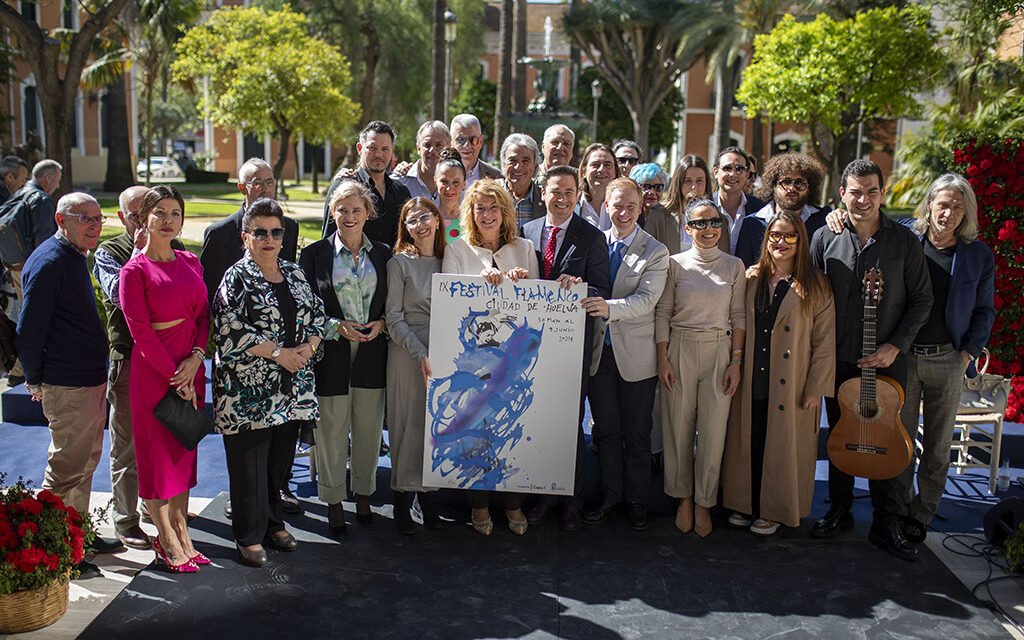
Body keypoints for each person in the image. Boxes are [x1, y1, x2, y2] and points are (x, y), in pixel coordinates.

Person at [825, 173, 996, 543]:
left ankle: (920, 514)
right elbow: (861, 220)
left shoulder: (977, 255)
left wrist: (968, 351)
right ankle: (896, 513)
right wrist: (835, 215)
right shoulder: (905, 238)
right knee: (895, 439)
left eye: (956, 206)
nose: (948, 213)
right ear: (929, 204)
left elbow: (985, 310)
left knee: (936, 446)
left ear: (966, 212)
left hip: (947, 357)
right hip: (901, 359)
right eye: (943, 204)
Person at [809, 159, 933, 562]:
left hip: (890, 362)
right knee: (843, 434)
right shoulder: (825, 237)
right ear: (841, 194)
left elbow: (922, 300)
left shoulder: (904, 241)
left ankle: (888, 521)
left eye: (872, 191)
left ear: (883, 193)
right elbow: (808, 295)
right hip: (839, 358)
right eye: (855, 192)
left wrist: (896, 345)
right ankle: (840, 508)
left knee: (891, 440)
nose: (864, 199)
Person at [212, 198, 327, 567]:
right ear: (246, 236)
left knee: (278, 463)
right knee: (248, 466)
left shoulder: (294, 273)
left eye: (276, 232)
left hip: (290, 390)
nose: (269, 238)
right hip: (248, 392)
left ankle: (273, 523)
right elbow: (229, 328)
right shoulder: (237, 278)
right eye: (260, 232)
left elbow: (317, 315)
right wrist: (280, 354)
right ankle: (248, 536)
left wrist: (307, 348)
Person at [16, 192, 123, 578]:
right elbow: (28, 330)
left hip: (88, 380)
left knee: (84, 464)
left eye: (98, 219)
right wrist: (34, 378)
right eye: (85, 219)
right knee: (65, 470)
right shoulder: (49, 262)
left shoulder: (74, 256)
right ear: (62, 220)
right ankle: (54, 547)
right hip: (67, 384)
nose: (94, 226)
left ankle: (78, 537)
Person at [721, 212, 836, 535]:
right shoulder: (751, 277)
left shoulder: (816, 284)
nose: (780, 243)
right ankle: (745, 503)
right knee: (750, 437)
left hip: (793, 382)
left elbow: (824, 342)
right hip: (753, 375)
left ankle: (774, 510)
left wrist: (816, 386)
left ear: (800, 241)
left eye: (789, 237)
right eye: (775, 236)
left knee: (781, 446)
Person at [201, 157, 301, 517]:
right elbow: (215, 302)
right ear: (242, 188)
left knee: (282, 434)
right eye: (255, 181)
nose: (263, 186)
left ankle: (280, 490)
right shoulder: (220, 233)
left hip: (286, 362)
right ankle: (241, 499)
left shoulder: (288, 226)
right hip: (243, 361)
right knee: (247, 443)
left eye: (269, 180)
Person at [120, 185, 209, 574]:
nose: (169, 220)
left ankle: (183, 530)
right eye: (161, 213)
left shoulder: (191, 261)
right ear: (144, 219)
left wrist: (196, 359)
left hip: (193, 368)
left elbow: (204, 317)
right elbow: (140, 333)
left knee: (182, 454)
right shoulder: (133, 272)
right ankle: (166, 538)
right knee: (157, 461)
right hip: (156, 375)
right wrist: (177, 376)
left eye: (175, 212)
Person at [442, 179, 538, 535]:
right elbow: (452, 303)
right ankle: (479, 506)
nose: (487, 214)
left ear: (505, 212)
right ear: (470, 212)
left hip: (511, 363)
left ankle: (512, 503)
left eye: (493, 207)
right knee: (476, 431)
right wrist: (478, 283)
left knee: (510, 427)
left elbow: (536, 307)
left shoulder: (525, 248)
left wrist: (522, 282)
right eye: (479, 208)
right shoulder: (457, 249)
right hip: (472, 362)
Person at [92, 185, 185, 551]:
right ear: (125, 218)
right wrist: (141, 251)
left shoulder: (177, 251)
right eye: (139, 214)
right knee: (128, 446)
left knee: (166, 441)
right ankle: (127, 519)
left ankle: (156, 511)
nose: (153, 220)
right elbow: (119, 294)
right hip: (130, 360)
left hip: (171, 363)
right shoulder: (110, 252)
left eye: (162, 212)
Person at [522, 165, 611, 531]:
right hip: (528, 346)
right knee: (535, 419)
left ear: (578, 195)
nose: (561, 198)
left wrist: (581, 286)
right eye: (555, 191)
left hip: (570, 346)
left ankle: (571, 501)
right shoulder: (525, 234)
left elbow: (603, 291)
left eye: (569, 192)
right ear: (542, 192)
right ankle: (541, 495)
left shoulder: (591, 237)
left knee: (569, 425)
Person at [301, 180, 390, 536]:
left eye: (356, 210)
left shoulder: (383, 253)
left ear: (368, 213)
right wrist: (335, 326)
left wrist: (382, 322)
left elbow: (391, 303)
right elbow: (305, 309)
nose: (349, 217)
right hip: (331, 351)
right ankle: (334, 500)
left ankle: (364, 494)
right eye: (342, 210)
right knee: (332, 429)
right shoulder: (313, 254)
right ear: (332, 212)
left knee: (368, 429)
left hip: (373, 350)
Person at [581, 178, 669, 531]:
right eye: (617, 205)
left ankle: (636, 499)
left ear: (641, 208)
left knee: (636, 432)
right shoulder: (596, 242)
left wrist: (606, 307)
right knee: (606, 431)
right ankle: (610, 496)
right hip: (599, 355)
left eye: (632, 206)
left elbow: (646, 302)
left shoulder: (656, 251)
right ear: (605, 206)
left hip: (636, 356)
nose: (624, 212)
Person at [655, 197, 745, 538]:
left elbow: (739, 316)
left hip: (720, 350)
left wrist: (736, 361)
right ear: (687, 228)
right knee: (677, 427)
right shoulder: (674, 264)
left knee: (713, 429)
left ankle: (706, 500)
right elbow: (663, 312)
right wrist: (662, 357)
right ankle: (684, 498)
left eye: (714, 223)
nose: (709, 229)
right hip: (679, 347)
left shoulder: (735, 266)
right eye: (701, 223)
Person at [385, 198, 447, 534]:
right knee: (407, 426)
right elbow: (393, 318)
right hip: (408, 353)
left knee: (435, 429)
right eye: (412, 220)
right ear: (405, 228)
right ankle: (401, 503)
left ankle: (430, 502)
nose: (420, 224)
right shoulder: (399, 264)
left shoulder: (451, 260)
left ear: (437, 220)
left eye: (425, 217)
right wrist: (419, 351)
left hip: (444, 354)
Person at [5, 159, 62, 385]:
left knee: (25, 317)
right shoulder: (41, 200)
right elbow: (45, 244)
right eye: (56, 181)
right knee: (36, 319)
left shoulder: (18, 194)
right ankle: (22, 370)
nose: (57, 186)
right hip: (32, 269)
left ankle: (19, 368)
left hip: (15, 266)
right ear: (47, 179)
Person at [321, 120, 412, 246]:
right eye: (372, 148)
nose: (379, 154)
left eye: (385, 149)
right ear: (359, 148)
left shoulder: (401, 192)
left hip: (395, 265)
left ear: (392, 150)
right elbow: (327, 240)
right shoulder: (343, 187)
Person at [735, 153, 831, 267]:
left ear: (810, 188)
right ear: (773, 185)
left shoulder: (823, 220)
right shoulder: (751, 224)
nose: (792, 188)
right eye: (786, 182)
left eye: (799, 183)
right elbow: (743, 269)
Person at [651, 155, 712, 255]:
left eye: (699, 181)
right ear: (678, 183)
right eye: (687, 181)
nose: (694, 187)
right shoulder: (658, 215)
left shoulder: (718, 220)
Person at [711, 147, 766, 257]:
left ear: (746, 174)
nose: (733, 174)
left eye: (739, 169)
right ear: (716, 172)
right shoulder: (704, 207)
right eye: (727, 168)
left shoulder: (761, 209)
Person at [391, 120, 450, 204]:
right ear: (418, 148)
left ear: (448, 147)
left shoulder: (456, 184)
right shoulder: (399, 183)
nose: (432, 150)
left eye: (438, 145)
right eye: (427, 145)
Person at [500, 133, 545, 229]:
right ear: (504, 164)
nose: (518, 167)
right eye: (513, 160)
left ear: (535, 166)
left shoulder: (545, 200)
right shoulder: (491, 196)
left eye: (525, 161)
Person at [450, 113, 502, 188]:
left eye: (472, 140)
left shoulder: (496, 177)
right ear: (451, 142)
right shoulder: (439, 174)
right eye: (460, 140)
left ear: (481, 141)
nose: (467, 145)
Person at [576, 143, 619, 229]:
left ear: (615, 172)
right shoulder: (572, 204)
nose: (601, 169)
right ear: (584, 171)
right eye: (595, 164)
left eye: (607, 165)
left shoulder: (625, 204)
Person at [434, 148, 467, 243]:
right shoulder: (429, 217)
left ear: (464, 184)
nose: (449, 188)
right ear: (435, 181)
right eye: (444, 181)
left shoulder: (471, 218)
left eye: (456, 182)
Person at [628, 162, 668, 230]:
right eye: (646, 187)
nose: (652, 192)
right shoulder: (627, 215)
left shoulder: (668, 216)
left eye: (658, 187)